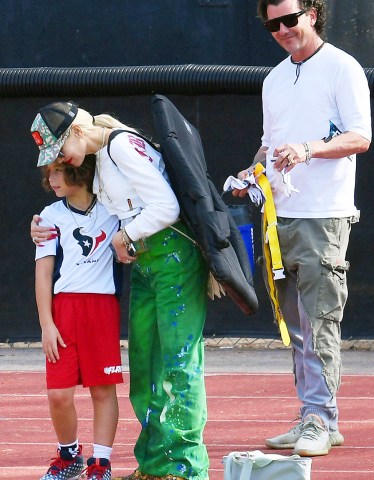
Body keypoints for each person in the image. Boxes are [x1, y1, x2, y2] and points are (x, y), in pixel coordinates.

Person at [30, 101, 209, 480]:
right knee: (145, 364)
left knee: (178, 362)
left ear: (76, 131)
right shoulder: (101, 157)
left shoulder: (120, 146)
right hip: (145, 261)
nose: (60, 161)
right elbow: (92, 211)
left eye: (60, 151)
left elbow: (166, 207)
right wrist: (40, 226)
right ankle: (156, 464)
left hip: (171, 254)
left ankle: (184, 468)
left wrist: (125, 236)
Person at [232, 0, 371, 457]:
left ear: (313, 13)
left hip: (323, 216)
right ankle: (311, 414)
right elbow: (269, 146)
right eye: (273, 24)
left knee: (320, 320)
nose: (282, 30)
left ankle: (320, 418)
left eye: (290, 19)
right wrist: (249, 173)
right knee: (294, 323)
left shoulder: (342, 67)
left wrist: (309, 149)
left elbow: (360, 137)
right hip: (279, 218)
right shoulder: (274, 79)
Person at [33, 153, 124, 480]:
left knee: (103, 389)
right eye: (50, 173)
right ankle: (69, 454)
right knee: (58, 393)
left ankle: (101, 463)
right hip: (64, 311)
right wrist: (46, 324)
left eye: (60, 172)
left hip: (101, 310)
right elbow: (43, 273)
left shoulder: (113, 211)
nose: (53, 179)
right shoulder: (49, 216)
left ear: (81, 172)